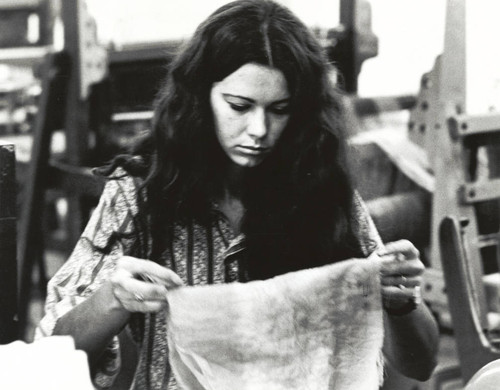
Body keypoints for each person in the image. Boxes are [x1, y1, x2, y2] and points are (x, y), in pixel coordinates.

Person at [36, 0, 439, 388]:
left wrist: (401, 300)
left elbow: (420, 364)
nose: (259, 130)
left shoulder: (320, 191)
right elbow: (49, 354)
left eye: (279, 110)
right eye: (239, 106)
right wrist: (113, 299)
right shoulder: (139, 194)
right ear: (200, 97)